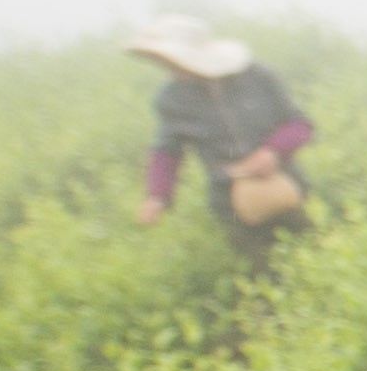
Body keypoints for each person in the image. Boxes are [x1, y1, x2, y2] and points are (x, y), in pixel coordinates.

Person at [131, 19, 313, 260]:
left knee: (309, 254)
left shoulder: (258, 77)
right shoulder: (171, 98)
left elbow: (299, 124)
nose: (170, 69)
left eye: (173, 61)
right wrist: (157, 196)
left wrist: (272, 152)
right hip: (230, 199)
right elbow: (167, 151)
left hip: (285, 185)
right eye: (164, 62)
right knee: (261, 269)